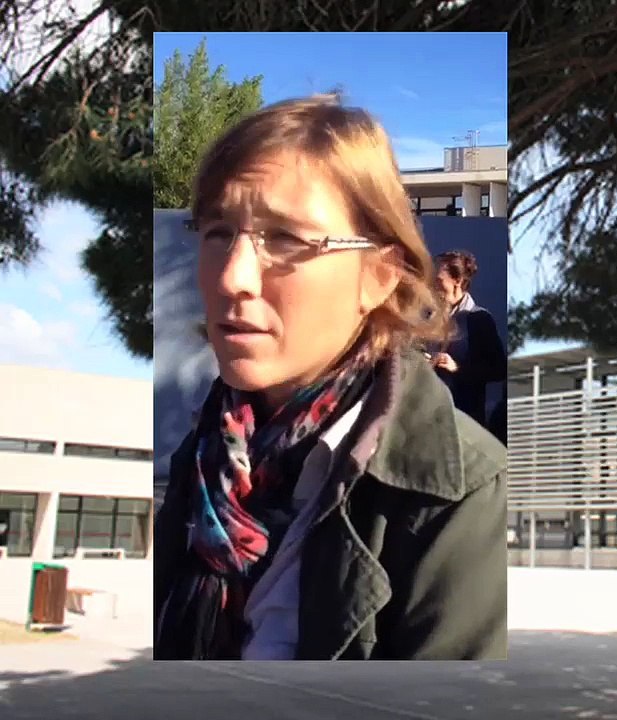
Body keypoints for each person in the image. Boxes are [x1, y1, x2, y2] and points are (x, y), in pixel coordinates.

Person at [153, 95, 507, 661]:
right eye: (218, 231)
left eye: (287, 239)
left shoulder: (463, 496)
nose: (232, 277)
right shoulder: (203, 455)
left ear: (380, 278)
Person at [429, 250, 506, 427]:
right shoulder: (431, 316)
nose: (433, 286)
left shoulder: (478, 319)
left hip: (463, 421)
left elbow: (499, 369)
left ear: (458, 281)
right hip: (431, 417)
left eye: (439, 280)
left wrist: (457, 368)